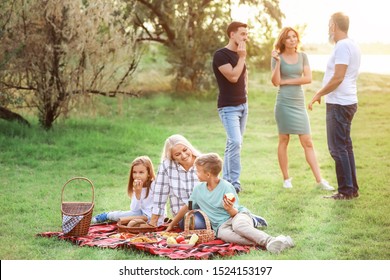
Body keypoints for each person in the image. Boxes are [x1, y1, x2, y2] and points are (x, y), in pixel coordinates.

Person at [166, 153, 293, 254]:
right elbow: (188, 208)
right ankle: (276, 243)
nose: (196, 174)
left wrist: (229, 209)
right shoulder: (198, 190)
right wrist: (173, 224)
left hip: (236, 216)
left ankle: (270, 240)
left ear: (208, 174)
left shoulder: (227, 187)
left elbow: (234, 212)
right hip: (221, 226)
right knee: (226, 236)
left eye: (198, 171)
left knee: (239, 227)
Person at [270, 27, 334, 191]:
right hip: (283, 103)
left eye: (294, 37)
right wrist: (277, 63)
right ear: (283, 41)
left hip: (298, 102)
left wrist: (286, 81)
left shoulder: (303, 56)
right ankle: (286, 179)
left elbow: (308, 78)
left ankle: (320, 180)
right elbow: (276, 81)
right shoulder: (277, 57)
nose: (292, 40)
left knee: (308, 142)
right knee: (284, 140)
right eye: (289, 37)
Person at [308, 12, 361, 200]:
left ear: (334, 26)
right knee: (345, 146)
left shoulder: (342, 46)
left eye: (329, 24)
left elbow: (338, 77)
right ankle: (351, 189)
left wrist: (318, 93)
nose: (328, 28)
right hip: (347, 101)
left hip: (339, 103)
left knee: (337, 148)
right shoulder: (351, 44)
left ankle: (346, 191)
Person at [212, 21, 249, 193]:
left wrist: (246, 97)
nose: (245, 38)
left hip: (243, 106)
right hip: (228, 108)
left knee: (233, 144)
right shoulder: (221, 55)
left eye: (246, 34)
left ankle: (226, 180)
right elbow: (233, 77)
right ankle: (234, 182)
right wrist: (242, 57)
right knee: (235, 141)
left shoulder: (240, 55)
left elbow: (244, 77)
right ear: (232, 34)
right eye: (242, 34)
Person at [149, 134, 206, 229]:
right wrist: (154, 220)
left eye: (185, 150)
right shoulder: (167, 166)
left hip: (208, 211)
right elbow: (160, 193)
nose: (183, 156)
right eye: (177, 154)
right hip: (183, 215)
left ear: (189, 147)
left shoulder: (204, 162)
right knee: (196, 224)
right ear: (172, 157)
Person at [92, 156, 165, 226]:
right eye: (134, 172)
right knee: (122, 216)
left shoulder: (155, 185)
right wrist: (137, 193)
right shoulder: (137, 186)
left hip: (154, 217)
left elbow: (159, 206)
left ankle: (112, 216)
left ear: (149, 173)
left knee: (130, 221)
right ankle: (107, 215)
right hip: (141, 215)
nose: (137, 175)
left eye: (141, 172)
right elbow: (134, 209)